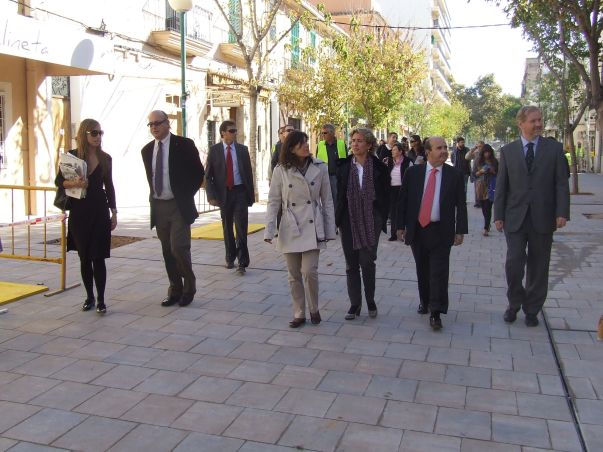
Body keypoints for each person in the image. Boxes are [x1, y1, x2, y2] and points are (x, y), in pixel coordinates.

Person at [494, 106, 570, 327]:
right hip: (515, 217)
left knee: (539, 265)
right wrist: (498, 214)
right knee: (514, 262)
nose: (538, 124)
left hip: (543, 217)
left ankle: (532, 309)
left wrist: (562, 212)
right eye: (533, 121)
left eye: (540, 120)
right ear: (521, 123)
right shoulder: (508, 151)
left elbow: (561, 184)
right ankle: (514, 303)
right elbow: (502, 186)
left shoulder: (554, 149)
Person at [264, 130, 336, 328]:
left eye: (306, 142)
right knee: (293, 273)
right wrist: (269, 229)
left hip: (313, 225)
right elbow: (273, 201)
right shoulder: (281, 170)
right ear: (291, 148)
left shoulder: (320, 168)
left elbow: (327, 200)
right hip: (290, 225)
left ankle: (314, 308)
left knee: (309, 271)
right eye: (301, 143)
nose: (306, 146)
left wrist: (330, 230)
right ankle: (299, 312)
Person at [397, 136, 468, 330]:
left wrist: (460, 230)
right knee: (423, 268)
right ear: (428, 152)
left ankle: (436, 312)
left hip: (441, 230)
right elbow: (403, 201)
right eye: (439, 148)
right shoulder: (414, 173)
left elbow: (461, 205)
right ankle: (425, 301)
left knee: (439, 271)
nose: (444, 151)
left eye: (445, 147)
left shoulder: (454, 175)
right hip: (418, 229)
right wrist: (400, 226)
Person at [142, 110, 205, 307]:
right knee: (167, 250)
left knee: (179, 247)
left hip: (178, 205)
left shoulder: (184, 145)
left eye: (158, 123)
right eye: (151, 124)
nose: (154, 127)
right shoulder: (146, 151)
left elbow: (197, 173)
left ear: (168, 123)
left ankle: (189, 286)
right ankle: (174, 289)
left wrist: (185, 195)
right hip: (158, 205)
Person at [55, 119, 117, 314]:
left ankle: (101, 299)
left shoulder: (106, 158)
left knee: (98, 257)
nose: (98, 137)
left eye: (100, 133)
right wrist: (75, 184)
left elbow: (110, 186)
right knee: (84, 258)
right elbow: (59, 182)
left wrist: (114, 212)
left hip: (99, 210)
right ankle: (89, 297)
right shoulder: (71, 157)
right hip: (79, 211)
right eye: (94, 133)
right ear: (84, 134)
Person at [336, 128, 390, 320]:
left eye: (359, 141)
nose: (355, 144)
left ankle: (370, 299)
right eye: (353, 141)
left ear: (369, 145)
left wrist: (381, 216)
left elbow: (385, 195)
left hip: (370, 219)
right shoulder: (343, 167)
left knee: (367, 261)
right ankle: (355, 304)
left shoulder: (379, 168)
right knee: (351, 264)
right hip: (348, 220)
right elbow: (338, 196)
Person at [206, 120, 255, 274]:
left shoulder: (242, 150)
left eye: (235, 130)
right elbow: (208, 176)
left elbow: (248, 174)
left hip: (239, 192)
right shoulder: (214, 151)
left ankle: (242, 262)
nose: (235, 133)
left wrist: (250, 196)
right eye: (232, 130)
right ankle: (230, 258)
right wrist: (211, 195)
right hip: (224, 194)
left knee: (241, 228)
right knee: (227, 228)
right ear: (223, 133)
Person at [386, 142, 413, 241]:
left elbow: (411, 176)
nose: (392, 152)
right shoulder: (389, 162)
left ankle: (404, 233)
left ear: (400, 151)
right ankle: (393, 234)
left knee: (403, 211)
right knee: (393, 212)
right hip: (392, 189)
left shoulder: (408, 161)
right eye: (392, 150)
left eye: (394, 150)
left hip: (403, 189)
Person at [317, 123, 347, 204]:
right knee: (325, 199)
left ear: (332, 133)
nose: (323, 135)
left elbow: (346, 160)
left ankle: (336, 216)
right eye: (322, 133)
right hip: (323, 176)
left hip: (336, 177)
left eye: (325, 133)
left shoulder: (341, 144)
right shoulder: (320, 145)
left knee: (336, 198)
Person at [473, 144, 498, 236]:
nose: (487, 154)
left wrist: (492, 171)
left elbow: (498, 173)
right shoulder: (478, 161)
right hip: (481, 186)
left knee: (488, 206)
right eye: (485, 153)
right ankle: (487, 224)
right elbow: (474, 174)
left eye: (488, 152)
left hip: (491, 185)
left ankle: (486, 227)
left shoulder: (494, 161)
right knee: (484, 207)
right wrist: (481, 171)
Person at [466, 141, 484, 207]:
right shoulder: (475, 152)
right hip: (475, 173)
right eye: (477, 146)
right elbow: (467, 157)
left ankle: (482, 202)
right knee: (476, 188)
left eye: (480, 146)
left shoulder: (486, 153)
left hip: (483, 173)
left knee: (481, 188)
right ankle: (478, 202)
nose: (479, 148)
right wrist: (472, 150)